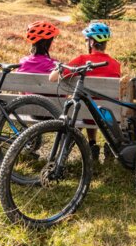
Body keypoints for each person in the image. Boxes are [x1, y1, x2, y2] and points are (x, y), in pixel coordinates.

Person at [49, 21, 121, 160]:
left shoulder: (82, 60)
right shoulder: (115, 64)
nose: (86, 42)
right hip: (108, 115)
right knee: (94, 103)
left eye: (86, 40)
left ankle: (90, 146)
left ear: (92, 42)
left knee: (85, 106)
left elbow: (53, 78)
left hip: (83, 114)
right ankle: (98, 145)